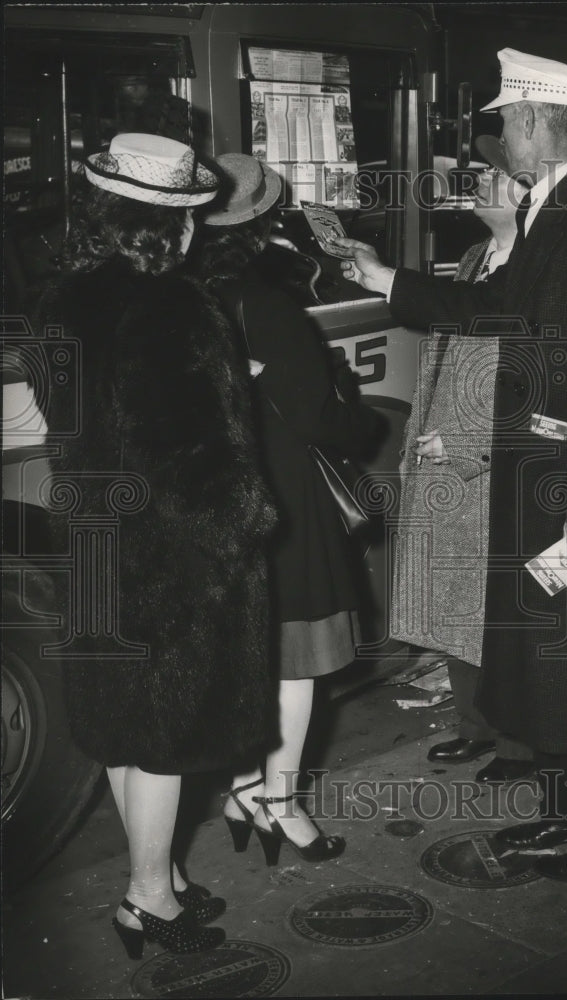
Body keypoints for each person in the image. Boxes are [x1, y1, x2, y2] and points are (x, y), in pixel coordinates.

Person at [335, 48, 567, 884]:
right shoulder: (556, 207)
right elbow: (498, 309)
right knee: (554, 667)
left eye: (504, 124)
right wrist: (387, 279)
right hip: (540, 476)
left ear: (531, 123)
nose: (496, 142)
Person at [35, 133, 277, 956]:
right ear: (170, 226)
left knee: (119, 722)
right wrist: (245, 525)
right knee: (171, 728)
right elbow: (198, 452)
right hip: (172, 550)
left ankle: (161, 874)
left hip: (97, 535)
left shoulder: (64, 301)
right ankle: (147, 898)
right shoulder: (179, 307)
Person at [194, 154, 382, 864]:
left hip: (213, 496)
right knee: (295, 661)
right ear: (264, 223)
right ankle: (280, 802)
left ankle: (242, 787)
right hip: (282, 500)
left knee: (242, 652)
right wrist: (359, 422)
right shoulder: (267, 305)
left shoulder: (177, 295)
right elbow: (321, 418)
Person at [395, 140, 532, 784]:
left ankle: (518, 743)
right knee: (456, 602)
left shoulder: (540, 265)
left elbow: (538, 381)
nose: (478, 182)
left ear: (527, 193)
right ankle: (475, 726)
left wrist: (471, 440)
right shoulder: (479, 256)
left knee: (503, 609)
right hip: (446, 454)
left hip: (496, 462)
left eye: (493, 175)